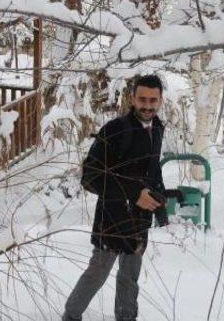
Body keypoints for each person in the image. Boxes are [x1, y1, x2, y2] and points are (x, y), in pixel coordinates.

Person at [62, 74, 167, 321]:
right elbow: (90, 177)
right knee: (98, 271)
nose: (147, 105)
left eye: (153, 100)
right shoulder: (115, 130)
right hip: (112, 215)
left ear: (160, 100)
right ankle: (71, 315)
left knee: (130, 275)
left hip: (139, 218)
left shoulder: (157, 128)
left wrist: (159, 198)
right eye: (142, 99)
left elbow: (152, 168)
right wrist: (133, 194)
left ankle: (126, 317)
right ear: (132, 98)